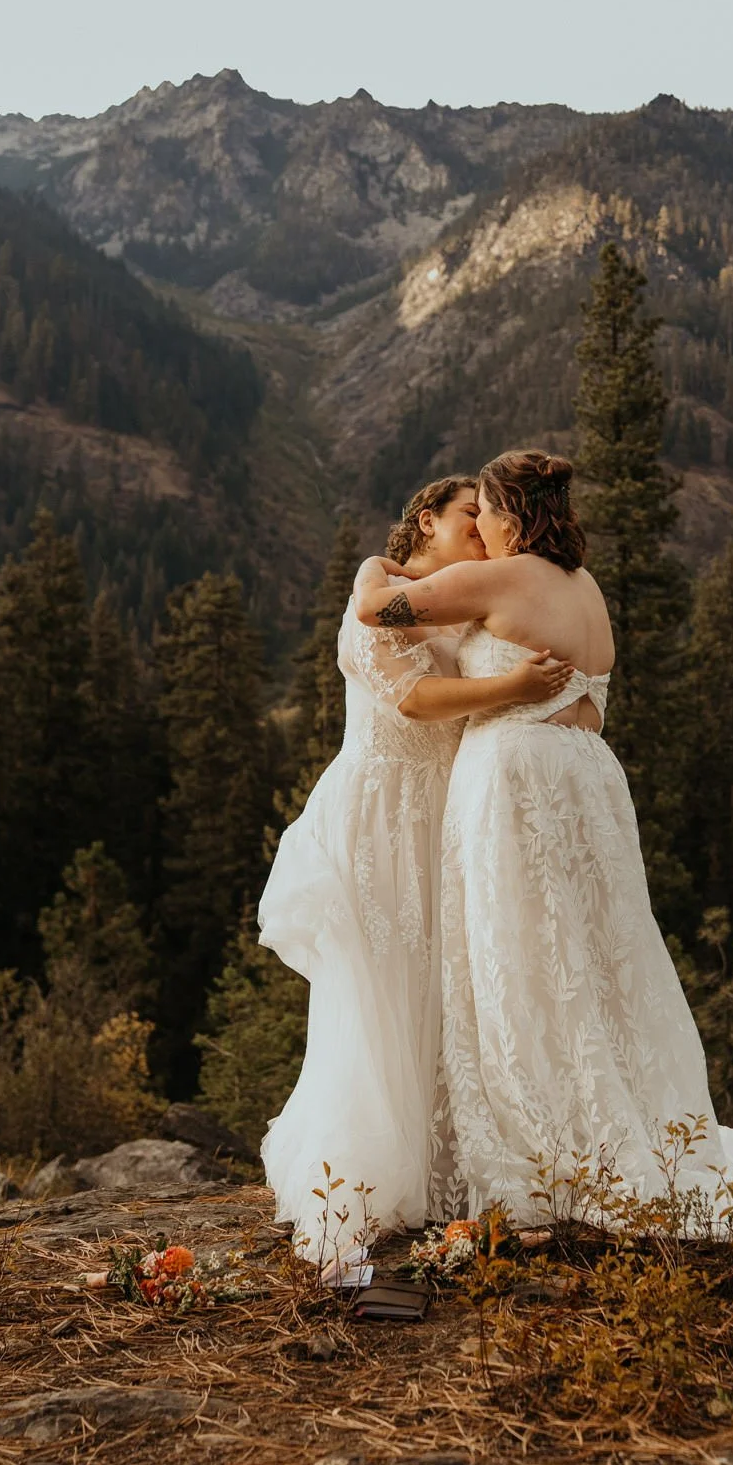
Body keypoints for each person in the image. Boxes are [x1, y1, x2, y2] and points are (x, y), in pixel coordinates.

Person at [358, 449, 733, 1228]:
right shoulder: (584, 587)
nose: (481, 527)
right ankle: (637, 1123)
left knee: (521, 959)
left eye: (486, 512)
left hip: (517, 775)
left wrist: (373, 565)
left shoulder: (499, 577)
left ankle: (555, 1147)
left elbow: (377, 612)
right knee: (599, 956)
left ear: (512, 516)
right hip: (590, 778)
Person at [258, 475, 572, 1266]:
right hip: (381, 816)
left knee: (446, 988)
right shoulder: (377, 590)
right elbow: (415, 697)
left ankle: (446, 1175)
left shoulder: (453, 598)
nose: (481, 525)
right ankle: (358, 1185)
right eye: (470, 513)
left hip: (446, 815)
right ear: (426, 519)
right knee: (381, 991)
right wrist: (516, 685)